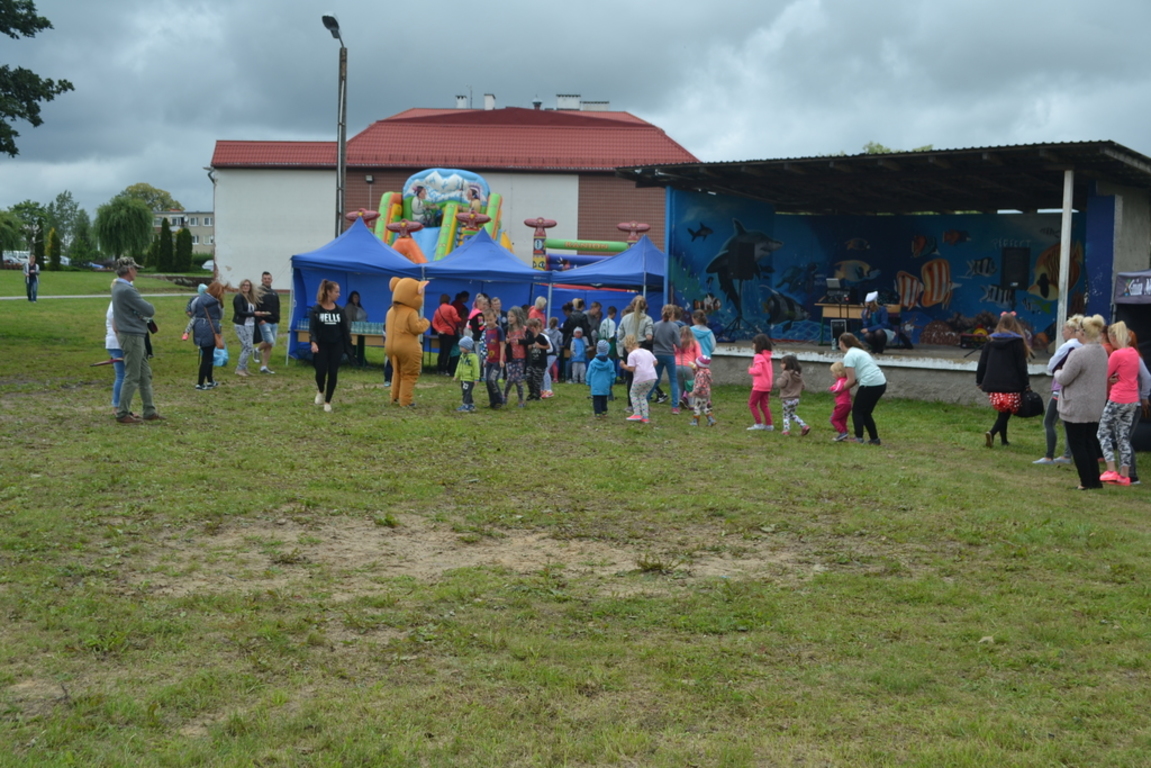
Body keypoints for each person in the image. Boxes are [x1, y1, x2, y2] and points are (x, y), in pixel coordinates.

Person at [1054, 315, 1109, 490]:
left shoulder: (1078, 354)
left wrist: (1057, 371)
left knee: (1077, 444)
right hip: (1095, 405)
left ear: (1083, 333)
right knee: (1089, 442)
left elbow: (1064, 378)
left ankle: (1085, 482)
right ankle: (1095, 481)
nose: (1076, 333)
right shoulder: (1101, 351)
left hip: (1077, 405)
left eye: (1077, 330)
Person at [111, 257, 163, 424]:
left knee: (144, 374)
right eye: (135, 269)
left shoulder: (118, 287)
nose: (137, 272)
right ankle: (122, 413)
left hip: (133, 334)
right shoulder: (127, 290)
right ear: (129, 270)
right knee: (132, 375)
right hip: (132, 335)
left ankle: (149, 410)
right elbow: (149, 310)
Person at [975, 312, 1031, 448]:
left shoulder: (990, 340)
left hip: (992, 382)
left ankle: (1004, 440)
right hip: (1012, 383)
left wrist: (979, 380)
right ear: (1014, 325)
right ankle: (992, 432)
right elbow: (1021, 365)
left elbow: (982, 362)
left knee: (1003, 411)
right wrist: (1026, 383)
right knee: (1007, 411)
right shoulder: (1017, 342)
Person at [1034, 315, 1083, 465]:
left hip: (1060, 388)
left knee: (1049, 421)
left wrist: (1059, 370)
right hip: (1077, 389)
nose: (1062, 332)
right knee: (1069, 423)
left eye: (1064, 329)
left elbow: (1051, 366)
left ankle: (1049, 456)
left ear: (1071, 330)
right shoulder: (1085, 346)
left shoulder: (1068, 346)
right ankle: (1067, 455)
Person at [1097, 321, 1140, 485]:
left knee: (1103, 432)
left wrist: (1111, 377)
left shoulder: (1117, 354)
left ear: (1114, 337)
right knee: (1123, 436)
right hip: (1132, 399)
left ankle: (1111, 469)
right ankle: (1125, 474)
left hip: (1118, 397)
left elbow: (1105, 373)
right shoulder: (1133, 352)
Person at [308, 279, 353, 413]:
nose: (338, 294)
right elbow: (313, 329)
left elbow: (345, 330)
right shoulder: (316, 310)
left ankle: (328, 402)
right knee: (320, 372)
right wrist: (314, 342)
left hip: (336, 345)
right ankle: (321, 390)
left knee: (333, 372)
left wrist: (348, 347)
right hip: (322, 345)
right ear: (328, 292)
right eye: (336, 292)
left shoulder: (340, 310)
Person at [838, 332, 886, 444]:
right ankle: (874, 439)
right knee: (866, 412)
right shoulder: (861, 352)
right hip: (880, 383)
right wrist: (843, 389)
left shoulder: (849, 356)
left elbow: (850, 380)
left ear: (842, 343)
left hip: (869, 383)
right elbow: (854, 379)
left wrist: (838, 390)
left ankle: (858, 438)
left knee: (857, 411)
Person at [190, 281, 225, 391]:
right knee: (207, 356)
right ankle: (200, 383)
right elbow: (221, 315)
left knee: (207, 354)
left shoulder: (198, 299)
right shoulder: (217, 302)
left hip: (199, 327)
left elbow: (192, 311)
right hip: (211, 328)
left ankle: (210, 380)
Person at [232, 278, 267, 377]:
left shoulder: (250, 298)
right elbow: (240, 312)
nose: (246, 287)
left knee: (245, 346)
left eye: (247, 285)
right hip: (242, 325)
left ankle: (244, 368)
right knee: (248, 347)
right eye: (244, 285)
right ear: (241, 286)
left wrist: (259, 315)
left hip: (250, 325)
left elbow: (252, 311)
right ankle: (239, 368)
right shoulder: (239, 297)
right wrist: (254, 314)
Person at [651, 305, 681, 413]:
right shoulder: (674, 326)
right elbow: (678, 344)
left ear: (662, 312)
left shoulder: (655, 325)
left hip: (657, 354)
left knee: (655, 379)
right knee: (673, 380)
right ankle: (675, 407)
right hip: (669, 355)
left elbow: (651, 340)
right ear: (672, 314)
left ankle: (645, 401)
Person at [621, 334, 657, 423]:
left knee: (633, 394)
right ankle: (645, 417)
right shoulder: (647, 351)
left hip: (641, 377)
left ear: (628, 347)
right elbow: (655, 362)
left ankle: (637, 413)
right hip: (652, 377)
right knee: (642, 396)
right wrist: (647, 366)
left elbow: (631, 368)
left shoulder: (632, 354)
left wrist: (623, 366)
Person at [746, 333, 774, 431]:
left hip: (759, 385)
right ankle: (769, 425)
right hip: (767, 385)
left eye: (754, 343)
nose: (752, 346)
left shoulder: (758, 356)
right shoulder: (768, 356)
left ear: (758, 344)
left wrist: (750, 370)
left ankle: (758, 423)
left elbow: (758, 371)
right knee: (764, 405)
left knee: (752, 404)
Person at [778, 354, 811, 436]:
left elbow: (781, 384)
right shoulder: (798, 374)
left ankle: (786, 430)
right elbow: (803, 386)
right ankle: (804, 426)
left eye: (782, 363)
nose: (781, 365)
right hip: (796, 399)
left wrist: (778, 380)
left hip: (787, 399)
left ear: (787, 364)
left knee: (786, 415)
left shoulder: (785, 373)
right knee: (791, 414)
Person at [503, 306, 528, 407]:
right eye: (508, 316)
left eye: (512, 316)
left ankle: (521, 400)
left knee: (518, 379)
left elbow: (531, 340)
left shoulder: (524, 329)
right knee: (510, 379)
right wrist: (505, 341)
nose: (509, 318)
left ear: (518, 317)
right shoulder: (506, 329)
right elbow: (501, 340)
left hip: (521, 358)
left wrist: (522, 341)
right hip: (510, 358)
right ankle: (504, 396)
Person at [255, 272, 280, 374]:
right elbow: (255, 308)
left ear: (271, 280)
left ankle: (264, 367)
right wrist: (260, 320)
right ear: (262, 280)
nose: (267, 280)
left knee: (269, 345)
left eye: (268, 278)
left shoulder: (274, 293)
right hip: (264, 321)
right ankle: (257, 350)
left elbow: (277, 307)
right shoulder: (258, 292)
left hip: (274, 321)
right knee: (269, 341)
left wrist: (277, 319)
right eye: (265, 278)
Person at [104, 298, 125, 414]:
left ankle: (121, 407)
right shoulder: (116, 304)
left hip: (116, 344)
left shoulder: (117, 302)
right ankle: (118, 407)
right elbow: (116, 327)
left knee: (123, 376)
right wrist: (123, 345)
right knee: (122, 376)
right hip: (117, 344)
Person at [481, 305, 505, 409]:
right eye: (487, 320)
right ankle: (492, 402)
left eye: (490, 320)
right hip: (489, 360)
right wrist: (485, 359)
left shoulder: (499, 330)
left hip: (497, 360)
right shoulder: (486, 330)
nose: (489, 322)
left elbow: (502, 345)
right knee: (487, 381)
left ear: (495, 318)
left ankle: (499, 400)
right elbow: (486, 346)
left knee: (492, 380)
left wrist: (501, 359)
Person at [524, 317, 550, 401]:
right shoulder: (529, 337)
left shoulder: (541, 337)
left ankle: (537, 394)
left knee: (537, 379)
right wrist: (529, 346)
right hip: (531, 362)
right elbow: (527, 347)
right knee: (529, 377)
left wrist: (540, 346)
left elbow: (548, 346)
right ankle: (531, 393)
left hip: (540, 362)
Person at [587, 340, 615, 417]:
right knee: (604, 398)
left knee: (596, 399)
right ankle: (604, 411)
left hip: (595, 385)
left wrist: (588, 382)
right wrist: (611, 383)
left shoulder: (593, 362)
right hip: (606, 384)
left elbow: (589, 373)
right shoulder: (610, 363)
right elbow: (612, 374)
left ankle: (598, 413)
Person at [676, 325, 701, 409]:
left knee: (679, 386)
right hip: (689, 366)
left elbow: (672, 353)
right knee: (690, 385)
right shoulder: (694, 343)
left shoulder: (676, 343)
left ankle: (676, 403)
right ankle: (691, 404)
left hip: (676, 366)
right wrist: (698, 367)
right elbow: (699, 356)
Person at [453, 336, 481, 413]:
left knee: (466, 392)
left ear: (467, 347)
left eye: (462, 347)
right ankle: (470, 404)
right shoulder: (462, 356)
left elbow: (476, 368)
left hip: (469, 378)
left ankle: (466, 405)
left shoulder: (473, 357)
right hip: (463, 378)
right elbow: (459, 366)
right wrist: (456, 375)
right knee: (465, 391)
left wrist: (476, 378)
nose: (460, 349)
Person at [828, 361, 852, 441]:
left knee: (833, 419)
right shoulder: (846, 380)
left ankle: (843, 433)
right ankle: (844, 434)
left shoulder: (840, 381)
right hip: (847, 403)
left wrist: (832, 388)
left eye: (833, 373)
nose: (832, 375)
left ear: (839, 373)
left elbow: (837, 389)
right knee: (842, 420)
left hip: (842, 404)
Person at [690, 355, 716, 427]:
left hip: (700, 394)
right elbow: (697, 375)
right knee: (704, 407)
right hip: (706, 393)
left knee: (697, 407)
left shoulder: (701, 373)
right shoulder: (706, 372)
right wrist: (694, 370)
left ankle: (695, 422)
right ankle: (711, 420)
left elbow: (700, 384)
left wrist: (694, 392)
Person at [344, 290, 368, 367]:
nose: (357, 298)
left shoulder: (360, 307)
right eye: (355, 297)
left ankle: (361, 360)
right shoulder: (349, 307)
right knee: (354, 345)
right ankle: (356, 361)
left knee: (361, 345)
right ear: (351, 298)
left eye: (358, 297)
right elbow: (348, 319)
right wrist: (347, 331)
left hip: (363, 330)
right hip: (354, 330)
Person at [543, 316, 562, 397]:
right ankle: (555, 378)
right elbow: (560, 341)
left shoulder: (545, 331)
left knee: (546, 368)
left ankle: (547, 385)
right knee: (554, 365)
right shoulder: (559, 333)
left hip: (547, 350)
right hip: (556, 350)